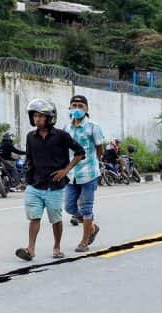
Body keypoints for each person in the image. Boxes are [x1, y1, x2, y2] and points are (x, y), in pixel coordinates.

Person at [15, 98, 86, 261]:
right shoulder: (30, 137)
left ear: (50, 118)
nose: (37, 119)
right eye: (35, 116)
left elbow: (80, 152)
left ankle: (57, 247)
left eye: (40, 116)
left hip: (54, 187)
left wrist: (66, 170)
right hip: (35, 185)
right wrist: (26, 178)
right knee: (34, 217)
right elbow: (30, 159)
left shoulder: (61, 136)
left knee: (56, 219)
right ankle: (30, 250)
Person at [63, 95, 104, 251]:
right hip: (72, 174)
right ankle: (92, 228)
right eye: (74, 105)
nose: (77, 108)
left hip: (89, 173)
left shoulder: (93, 127)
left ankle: (84, 241)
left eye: (81, 105)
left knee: (86, 208)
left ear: (86, 109)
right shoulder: (66, 128)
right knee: (69, 207)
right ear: (70, 108)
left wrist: (95, 163)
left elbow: (99, 147)